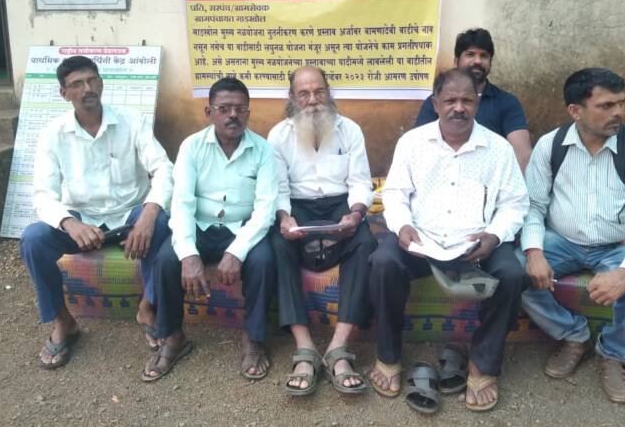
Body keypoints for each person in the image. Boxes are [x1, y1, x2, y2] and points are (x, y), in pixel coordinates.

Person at [369, 68, 529, 411]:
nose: (459, 108)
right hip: (422, 240)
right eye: (450, 100)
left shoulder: (498, 148)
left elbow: (515, 203)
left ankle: (483, 364)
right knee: (383, 263)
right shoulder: (413, 142)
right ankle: (388, 355)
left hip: (476, 244)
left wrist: (494, 236)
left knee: (512, 274)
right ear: (435, 103)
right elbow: (395, 193)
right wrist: (402, 226)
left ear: (478, 103)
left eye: (467, 100)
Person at [520, 68, 625, 403]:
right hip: (561, 241)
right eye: (606, 106)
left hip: (618, 247)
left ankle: (614, 354)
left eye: (621, 103)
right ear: (575, 110)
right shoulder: (551, 146)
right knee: (514, 272)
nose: (618, 112)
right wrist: (534, 251)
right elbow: (533, 205)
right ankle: (573, 335)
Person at [20, 56, 174, 370]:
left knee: (162, 223)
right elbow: (43, 194)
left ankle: (147, 306)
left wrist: (148, 214)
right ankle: (64, 322)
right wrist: (69, 223)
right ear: (64, 93)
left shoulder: (132, 121)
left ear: (101, 83)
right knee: (33, 239)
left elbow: (163, 168)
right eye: (77, 84)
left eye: (92, 80)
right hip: (83, 221)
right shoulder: (53, 134)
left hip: (130, 217)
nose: (87, 88)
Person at [142, 77, 278, 382]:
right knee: (166, 260)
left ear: (248, 112)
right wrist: (189, 255)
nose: (233, 115)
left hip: (243, 228)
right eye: (224, 108)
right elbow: (181, 204)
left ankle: (253, 338)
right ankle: (173, 336)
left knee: (264, 260)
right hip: (200, 225)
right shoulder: (191, 146)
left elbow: (265, 210)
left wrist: (236, 252)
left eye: (240, 109)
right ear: (209, 111)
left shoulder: (263, 150)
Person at [267, 66, 377, 396]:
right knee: (277, 244)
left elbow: (360, 182)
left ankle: (338, 349)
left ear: (329, 92)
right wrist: (284, 217)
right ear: (292, 98)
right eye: (304, 94)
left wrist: (355, 214)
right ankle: (305, 348)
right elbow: (278, 187)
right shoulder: (278, 135)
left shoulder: (350, 130)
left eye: (319, 92)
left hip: (340, 205)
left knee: (365, 242)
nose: (313, 100)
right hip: (297, 206)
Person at [414, 28, 532, 172]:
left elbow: (522, 156)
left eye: (484, 56)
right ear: (456, 60)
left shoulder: (507, 102)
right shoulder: (437, 102)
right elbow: (418, 148)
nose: (477, 61)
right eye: (470, 54)